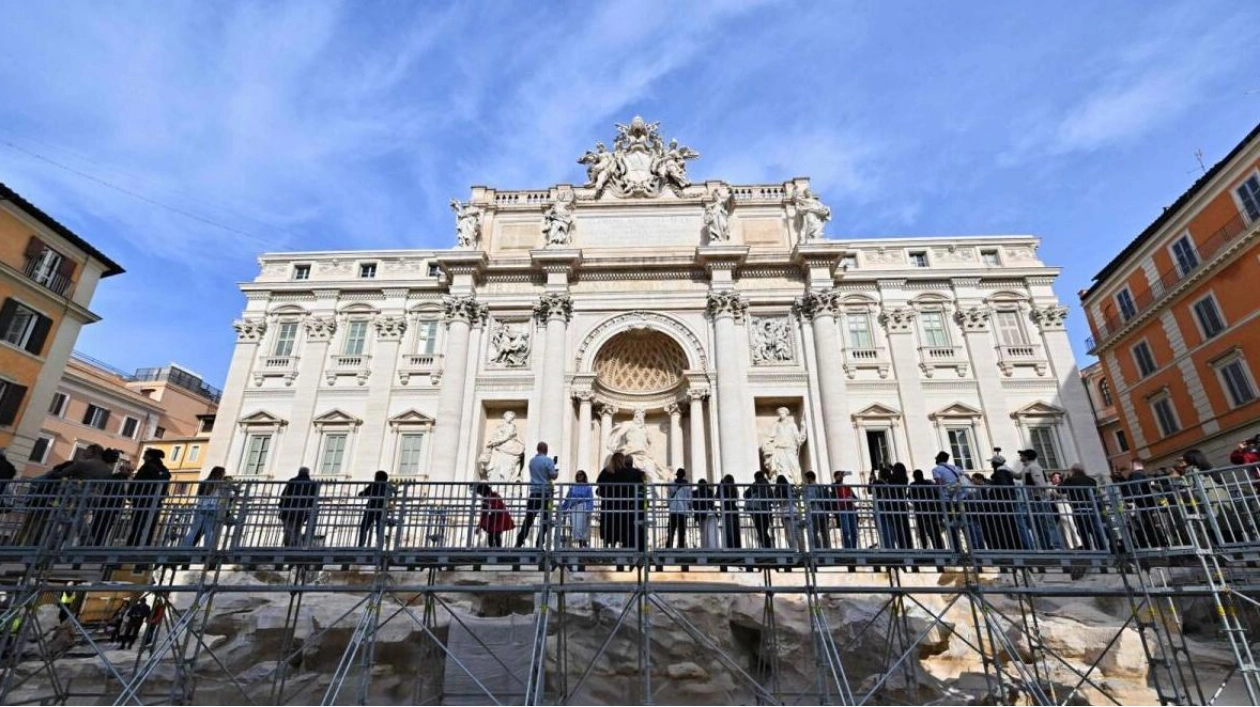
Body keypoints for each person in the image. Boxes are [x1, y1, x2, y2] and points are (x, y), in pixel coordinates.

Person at [515, 443, 558, 548]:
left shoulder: (532, 461)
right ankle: (539, 543)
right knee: (546, 519)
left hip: (534, 493)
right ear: (546, 449)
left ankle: (519, 542)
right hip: (546, 494)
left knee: (529, 519)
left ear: (537, 449)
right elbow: (553, 476)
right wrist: (556, 470)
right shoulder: (549, 461)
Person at [129, 448, 171, 547]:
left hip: (143, 500)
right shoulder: (163, 469)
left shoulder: (148, 467)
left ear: (150, 456)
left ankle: (133, 545)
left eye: (145, 455)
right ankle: (145, 545)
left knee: (137, 525)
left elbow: (138, 483)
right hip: (155, 501)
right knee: (149, 526)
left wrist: (132, 495)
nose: (143, 457)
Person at [1059, 464, 1108, 550]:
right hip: (1092, 508)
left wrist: (1062, 480)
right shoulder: (1091, 480)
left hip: (1078, 508)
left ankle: (1088, 549)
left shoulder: (1070, 480)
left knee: (1082, 531)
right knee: (1096, 531)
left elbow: (1060, 490)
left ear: (1073, 471)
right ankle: (1102, 549)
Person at [184, 467, 232, 551]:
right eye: (223, 473)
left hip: (204, 509)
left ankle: (187, 547)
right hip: (209, 509)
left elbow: (201, 495)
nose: (224, 475)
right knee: (205, 531)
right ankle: (204, 548)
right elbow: (225, 497)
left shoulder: (207, 482)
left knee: (197, 530)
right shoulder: (216, 484)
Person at [90, 452, 130, 545]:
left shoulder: (118, 479)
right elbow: (116, 493)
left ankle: (93, 544)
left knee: (99, 528)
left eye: (130, 470)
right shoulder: (118, 479)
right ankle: (94, 545)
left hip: (107, 507)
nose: (130, 472)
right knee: (100, 528)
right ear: (121, 469)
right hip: (108, 507)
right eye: (128, 470)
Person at [278, 467, 319, 547]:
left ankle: (289, 546)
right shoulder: (312, 484)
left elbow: (284, 495)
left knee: (289, 529)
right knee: (297, 530)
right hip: (302, 512)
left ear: (299, 472)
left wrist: (281, 506)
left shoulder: (292, 481)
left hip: (288, 510)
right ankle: (297, 546)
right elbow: (313, 499)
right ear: (308, 473)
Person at [357, 471, 395, 547]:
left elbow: (362, 494)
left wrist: (362, 493)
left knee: (364, 528)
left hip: (371, 509)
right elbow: (391, 497)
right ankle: (380, 547)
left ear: (377, 477)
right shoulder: (389, 486)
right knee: (380, 530)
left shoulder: (374, 485)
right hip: (382, 510)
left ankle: (361, 546)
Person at [908, 469, 944, 550]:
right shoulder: (929, 483)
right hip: (931, 509)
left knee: (922, 530)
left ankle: (925, 547)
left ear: (914, 476)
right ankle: (938, 547)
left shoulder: (913, 485)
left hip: (920, 510)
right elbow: (936, 494)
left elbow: (910, 497)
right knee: (935, 529)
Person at [561, 471, 594, 547]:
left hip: (583, 506)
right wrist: (564, 508)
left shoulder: (588, 487)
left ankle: (583, 543)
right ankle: (581, 543)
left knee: (582, 526)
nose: (579, 476)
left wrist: (589, 509)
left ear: (584, 476)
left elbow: (590, 499)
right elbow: (568, 498)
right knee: (576, 527)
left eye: (581, 475)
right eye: (578, 475)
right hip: (574, 507)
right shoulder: (573, 487)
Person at [476, 483, 514, 548]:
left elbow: (497, 507)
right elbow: (483, 514)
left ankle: (498, 550)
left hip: (499, 519)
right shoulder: (486, 500)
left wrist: (489, 506)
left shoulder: (494, 496)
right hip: (494, 520)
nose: (481, 495)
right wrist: (479, 526)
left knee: (496, 535)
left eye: (480, 493)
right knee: (492, 536)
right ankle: (494, 550)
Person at [596, 454, 623, 547]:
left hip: (607, 502)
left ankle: (605, 544)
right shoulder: (622, 472)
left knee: (607, 523)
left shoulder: (606, 471)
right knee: (616, 524)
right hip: (619, 503)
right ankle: (613, 544)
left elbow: (598, 482)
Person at [745, 471, 774, 549]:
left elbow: (746, 494)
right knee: (764, 529)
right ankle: (767, 546)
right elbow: (772, 498)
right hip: (767, 510)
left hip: (757, 510)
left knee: (760, 530)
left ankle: (766, 547)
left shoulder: (756, 484)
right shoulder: (768, 486)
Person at [802, 471, 830, 550]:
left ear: (810, 478)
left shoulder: (810, 487)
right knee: (824, 532)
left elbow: (810, 500)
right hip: (823, 512)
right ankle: (827, 549)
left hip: (815, 511)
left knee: (814, 532)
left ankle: (817, 550)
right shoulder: (820, 486)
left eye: (806, 478)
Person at [775, 474, 802, 551]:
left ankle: (793, 550)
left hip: (785, 513)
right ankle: (802, 550)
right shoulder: (790, 488)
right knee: (798, 533)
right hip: (795, 512)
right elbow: (796, 499)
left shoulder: (778, 491)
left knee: (789, 534)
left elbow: (775, 502)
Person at [831, 471, 858, 549]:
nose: (842, 476)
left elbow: (855, 498)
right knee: (846, 531)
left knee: (853, 530)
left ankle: (854, 548)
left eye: (842, 475)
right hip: (842, 509)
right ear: (836, 477)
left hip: (851, 509)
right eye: (840, 475)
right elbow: (835, 486)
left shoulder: (847, 487)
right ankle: (848, 548)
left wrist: (851, 498)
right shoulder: (834, 486)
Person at [666, 469, 692, 548]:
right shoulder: (687, 486)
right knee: (681, 533)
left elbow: (668, 498)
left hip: (673, 511)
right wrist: (689, 508)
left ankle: (668, 548)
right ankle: (681, 548)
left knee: (671, 532)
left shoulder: (671, 485)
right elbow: (689, 499)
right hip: (682, 512)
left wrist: (669, 504)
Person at [693, 479, 721, 549]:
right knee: (704, 533)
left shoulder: (708, 492)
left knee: (710, 533)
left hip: (709, 514)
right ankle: (706, 548)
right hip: (702, 515)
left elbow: (711, 503)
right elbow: (695, 504)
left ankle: (712, 547)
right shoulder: (696, 493)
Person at [718, 474, 742, 549]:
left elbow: (718, 496)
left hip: (727, 510)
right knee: (735, 531)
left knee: (728, 531)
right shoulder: (734, 488)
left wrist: (720, 484)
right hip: (734, 510)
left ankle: (730, 548)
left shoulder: (723, 487)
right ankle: (737, 548)